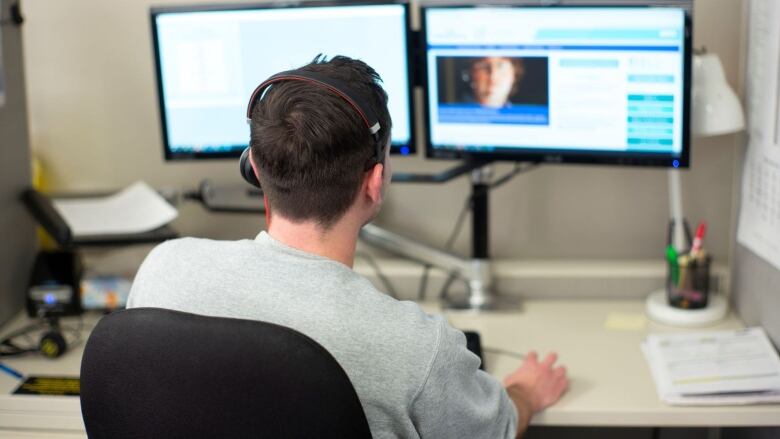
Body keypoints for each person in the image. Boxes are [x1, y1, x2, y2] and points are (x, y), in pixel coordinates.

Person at [127, 55, 567, 438]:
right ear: (374, 184)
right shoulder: (415, 346)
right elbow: (495, 430)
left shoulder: (163, 269)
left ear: (255, 169)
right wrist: (524, 392)